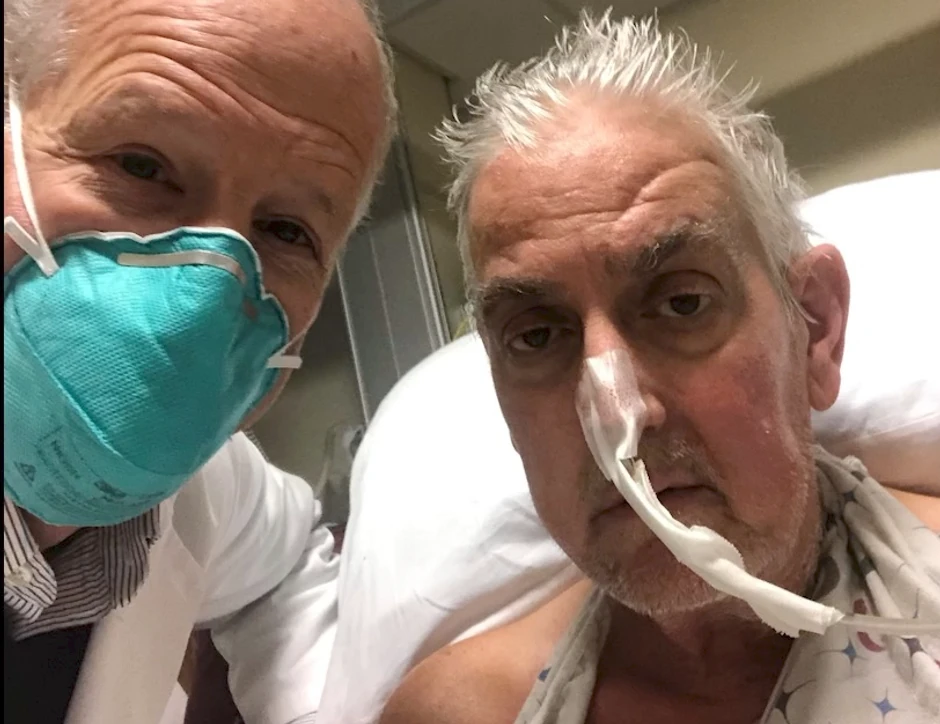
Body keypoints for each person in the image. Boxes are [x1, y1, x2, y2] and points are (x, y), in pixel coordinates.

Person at [380, 13, 940, 724]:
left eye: (681, 303)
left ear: (816, 330)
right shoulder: (461, 711)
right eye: (537, 336)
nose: (619, 413)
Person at [2, 0, 394, 722]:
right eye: (142, 166)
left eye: (286, 231)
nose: (203, 295)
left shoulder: (211, 490)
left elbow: (288, 569)